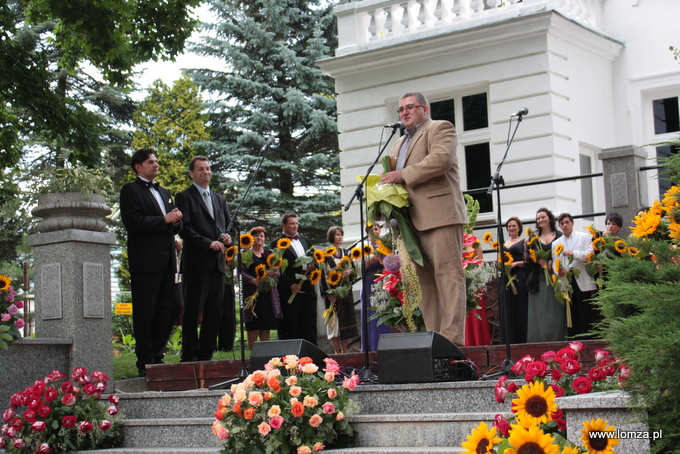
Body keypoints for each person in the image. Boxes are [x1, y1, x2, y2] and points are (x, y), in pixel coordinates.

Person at [380, 91, 468, 346]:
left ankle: (453, 341)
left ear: (424, 109)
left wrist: (403, 174)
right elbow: (392, 179)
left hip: (440, 216)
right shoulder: (398, 144)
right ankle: (434, 339)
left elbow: (441, 160)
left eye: (410, 107)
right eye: (401, 109)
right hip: (410, 222)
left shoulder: (440, 128)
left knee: (448, 276)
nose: (404, 112)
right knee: (425, 282)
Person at [119, 148, 183, 376]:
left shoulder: (164, 191)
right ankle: (145, 361)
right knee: (146, 311)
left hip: (168, 261)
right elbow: (133, 222)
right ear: (138, 167)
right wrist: (165, 219)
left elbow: (174, 223)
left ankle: (158, 353)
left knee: (173, 305)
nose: (156, 165)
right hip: (145, 262)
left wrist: (176, 224)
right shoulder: (130, 190)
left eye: (156, 161)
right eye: (150, 162)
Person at [175, 156, 233, 362]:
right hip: (197, 263)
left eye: (208, 169)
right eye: (201, 169)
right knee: (193, 310)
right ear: (191, 173)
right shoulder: (184, 197)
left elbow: (228, 226)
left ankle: (206, 354)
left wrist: (228, 237)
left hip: (218, 263)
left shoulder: (220, 199)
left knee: (214, 311)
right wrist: (206, 243)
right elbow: (185, 228)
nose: (206, 172)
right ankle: (190, 354)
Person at [271, 213, 318, 345]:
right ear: (283, 225)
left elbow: (314, 258)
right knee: (292, 320)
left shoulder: (305, 241)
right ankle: (291, 353)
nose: (295, 226)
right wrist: (289, 284)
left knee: (309, 319)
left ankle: (311, 349)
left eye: (296, 223)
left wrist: (314, 266)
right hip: (289, 287)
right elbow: (277, 267)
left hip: (307, 284)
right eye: (292, 223)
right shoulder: (276, 243)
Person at [552, 213, 598, 337]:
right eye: (562, 223)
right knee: (570, 315)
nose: (565, 225)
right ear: (559, 226)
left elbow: (589, 255)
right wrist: (558, 271)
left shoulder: (584, 237)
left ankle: (587, 341)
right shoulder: (556, 243)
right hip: (567, 281)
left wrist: (574, 253)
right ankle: (573, 343)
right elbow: (555, 263)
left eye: (567, 222)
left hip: (582, 279)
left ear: (572, 223)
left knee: (585, 313)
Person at [526, 208, 565, 342]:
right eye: (538, 218)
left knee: (556, 311)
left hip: (556, 278)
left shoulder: (559, 235)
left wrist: (552, 263)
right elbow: (527, 258)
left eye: (543, 217)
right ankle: (539, 341)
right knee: (540, 313)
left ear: (550, 218)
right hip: (539, 279)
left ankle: (558, 340)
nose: (540, 220)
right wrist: (536, 260)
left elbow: (563, 254)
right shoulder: (533, 238)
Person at [241, 226, 282, 350]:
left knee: (265, 324)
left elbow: (277, 268)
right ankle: (253, 354)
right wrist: (253, 280)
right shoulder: (245, 254)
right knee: (253, 324)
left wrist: (275, 273)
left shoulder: (269, 254)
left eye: (261, 236)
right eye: (256, 235)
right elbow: (241, 272)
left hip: (268, 294)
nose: (259, 238)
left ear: (264, 239)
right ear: (251, 238)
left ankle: (265, 353)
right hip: (252, 294)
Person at [320, 226, 359, 353]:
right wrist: (327, 294)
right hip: (332, 293)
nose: (340, 237)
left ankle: (345, 352)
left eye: (341, 234)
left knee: (345, 324)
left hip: (345, 293)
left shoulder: (347, 253)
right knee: (334, 324)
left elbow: (353, 270)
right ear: (332, 237)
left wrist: (349, 272)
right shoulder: (326, 255)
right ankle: (337, 353)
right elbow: (321, 275)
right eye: (337, 234)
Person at [361, 222, 392, 352]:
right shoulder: (363, 247)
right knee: (372, 314)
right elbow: (358, 269)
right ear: (368, 233)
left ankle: (386, 345)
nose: (376, 231)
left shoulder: (386, 245)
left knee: (384, 312)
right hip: (370, 282)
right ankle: (372, 346)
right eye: (373, 229)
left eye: (377, 229)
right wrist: (373, 260)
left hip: (383, 281)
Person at [501, 216, 528, 344]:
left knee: (520, 306)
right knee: (507, 307)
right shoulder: (503, 243)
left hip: (519, 277)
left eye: (514, 226)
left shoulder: (524, 241)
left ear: (519, 227)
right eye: (509, 226)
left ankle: (521, 338)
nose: (511, 228)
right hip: (506, 278)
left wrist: (516, 264)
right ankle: (508, 339)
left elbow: (528, 261)